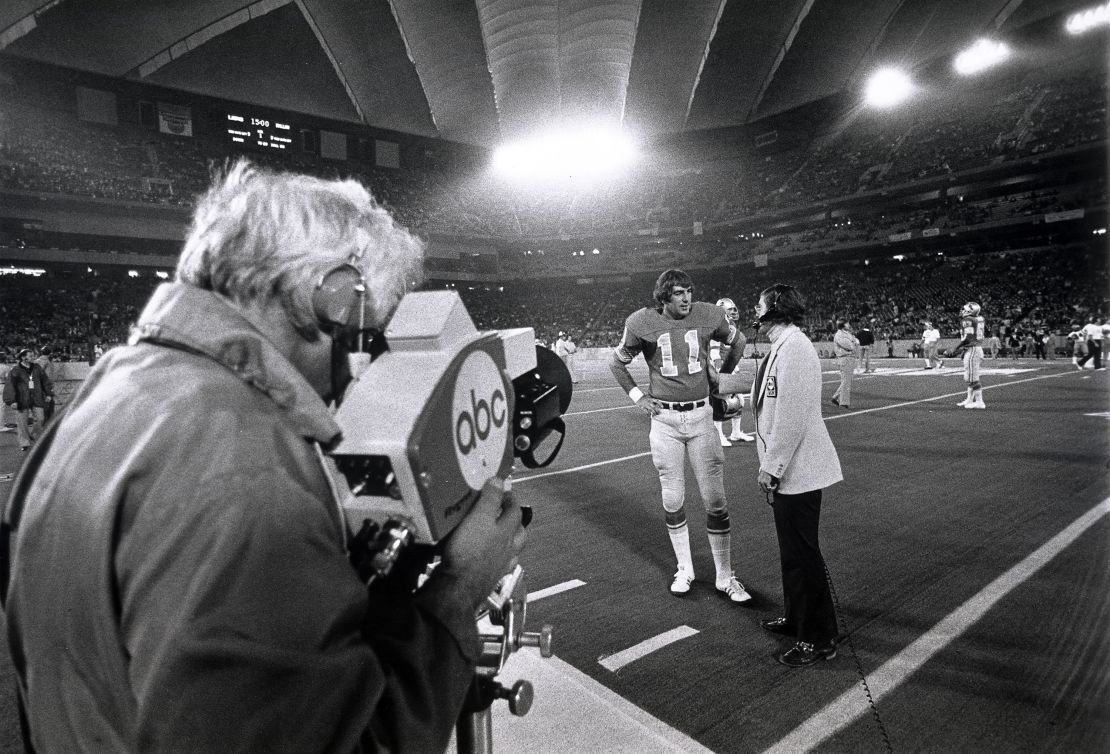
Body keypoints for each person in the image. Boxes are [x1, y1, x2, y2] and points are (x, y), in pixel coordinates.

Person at [2, 160, 526, 752]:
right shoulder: (246, 465)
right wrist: (455, 592)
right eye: (370, 331)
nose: (366, 366)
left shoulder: (100, 398)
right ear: (332, 294)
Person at [609, 269, 752, 603]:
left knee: (715, 499)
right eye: (678, 293)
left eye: (688, 291)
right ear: (663, 298)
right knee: (673, 499)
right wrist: (637, 397)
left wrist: (723, 376)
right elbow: (616, 363)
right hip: (665, 421)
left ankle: (725, 576)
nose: (686, 298)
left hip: (702, 416)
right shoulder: (641, 322)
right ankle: (684, 568)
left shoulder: (707, 314)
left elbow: (739, 340)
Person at [731, 284, 843, 667]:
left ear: (774, 309)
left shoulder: (794, 347)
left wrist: (772, 466)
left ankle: (819, 638)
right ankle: (798, 618)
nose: (755, 311)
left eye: (759, 304)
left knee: (804, 555)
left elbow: (792, 416)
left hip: (797, 471)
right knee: (792, 554)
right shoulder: (783, 345)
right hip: (791, 471)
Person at [711, 297, 754, 445]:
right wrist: (720, 373)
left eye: (734, 309)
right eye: (730, 310)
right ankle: (719, 435)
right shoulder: (717, 326)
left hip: (731, 367)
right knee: (721, 402)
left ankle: (736, 433)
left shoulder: (732, 324)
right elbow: (714, 351)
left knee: (739, 401)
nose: (734, 312)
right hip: (721, 368)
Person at [2, 348, 52, 452]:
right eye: (30, 356)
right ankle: (25, 443)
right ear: (23, 357)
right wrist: (12, 401)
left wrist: (48, 393)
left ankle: (34, 435)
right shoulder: (15, 370)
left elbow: (45, 381)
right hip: (21, 399)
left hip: (37, 396)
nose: (33, 357)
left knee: (40, 418)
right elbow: (10, 385)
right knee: (22, 422)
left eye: (33, 355)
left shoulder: (37, 368)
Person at [949, 301, 988, 409]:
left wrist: (955, 349)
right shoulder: (978, 318)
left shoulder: (967, 320)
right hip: (974, 348)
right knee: (970, 376)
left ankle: (980, 402)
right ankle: (969, 399)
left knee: (972, 378)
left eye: (964, 309)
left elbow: (968, 338)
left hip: (973, 349)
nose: (962, 311)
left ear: (969, 311)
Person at [830, 319, 858, 409]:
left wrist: (854, 343)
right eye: (847, 323)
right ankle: (843, 402)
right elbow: (850, 346)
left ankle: (836, 397)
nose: (849, 324)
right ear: (843, 325)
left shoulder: (847, 334)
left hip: (849, 358)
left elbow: (857, 341)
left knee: (846, 380)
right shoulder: (839, 335)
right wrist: (854, 343)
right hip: (845, 358)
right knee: (846, 381)